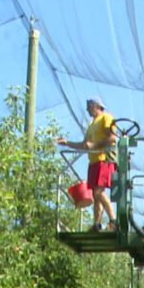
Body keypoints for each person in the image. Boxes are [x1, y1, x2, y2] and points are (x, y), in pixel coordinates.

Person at [58, 97, 119, 231]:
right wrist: (67, 143)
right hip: (93, 162)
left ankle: (114, 221)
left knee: (98, 191)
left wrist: (95, 145)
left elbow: (113, 138)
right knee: (95, 196)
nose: (87, 109)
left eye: (88, 106)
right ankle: (96, 224)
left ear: (95, 105)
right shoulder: (91, 125)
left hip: (104, 159)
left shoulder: (106, 118)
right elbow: (85, 145)